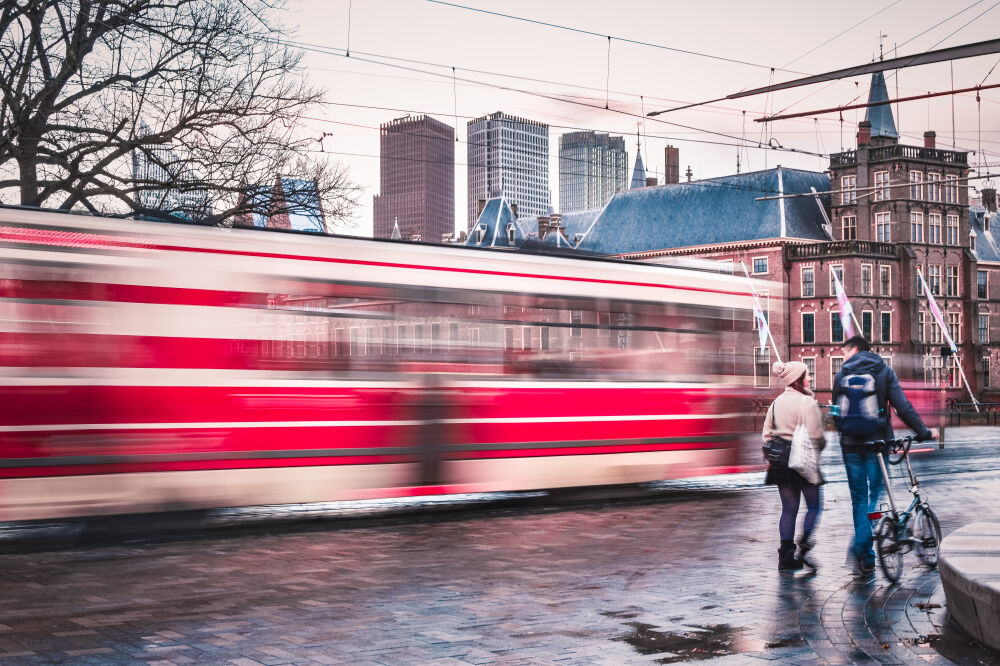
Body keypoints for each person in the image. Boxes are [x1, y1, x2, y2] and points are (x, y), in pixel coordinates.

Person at [832, 335, 937, 575]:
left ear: (856, 349)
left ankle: (866, 554)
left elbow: (836, 412)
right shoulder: (884, 372)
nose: (844, 357)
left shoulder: (841, 375)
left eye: (845, 352)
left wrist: (845, 434)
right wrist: (922, 431)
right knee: (875, 494)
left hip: (850, 446)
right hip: (878, 445)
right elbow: (902, 406)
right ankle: (861, 543)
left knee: (858, 499)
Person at [762, 360, 826, 571]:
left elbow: (766, 435)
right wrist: (818, 450)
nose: (809, 378)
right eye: (806, 375)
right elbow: (816, 436)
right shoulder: (807, 403)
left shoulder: (775, 403)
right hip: (803, 461)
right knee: (814, 506)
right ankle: (805, 545)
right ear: (797, 380)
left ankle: (786, 558)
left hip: (781, 462)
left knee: (788, 509)